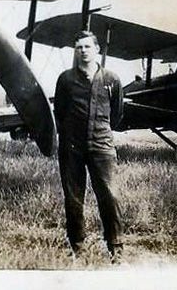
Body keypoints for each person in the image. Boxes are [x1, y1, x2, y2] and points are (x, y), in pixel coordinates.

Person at [53, 30, 125, 264]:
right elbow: (60, 113)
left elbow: (117, 115)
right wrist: (70, 137)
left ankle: (116, 249)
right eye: (78, 47)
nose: (83, 51)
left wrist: (100, 131)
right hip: (72, 147)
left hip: (102, 145)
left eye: (87, 47)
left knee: (109, 195)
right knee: (74, 198)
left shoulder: (111, 80)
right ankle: (78, 248)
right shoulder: (65, 79)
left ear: (97, 51)